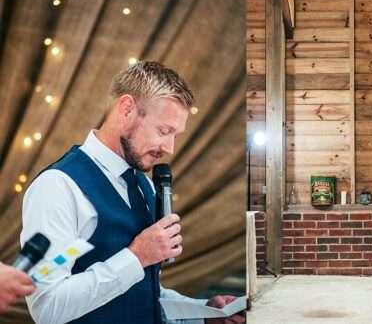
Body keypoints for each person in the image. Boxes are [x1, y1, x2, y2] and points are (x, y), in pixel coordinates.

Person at [20, 62, 244, 324]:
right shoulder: (58, 187)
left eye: (175, 135)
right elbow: (47, 307)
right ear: (126, 108)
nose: (170, 148)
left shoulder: (143, 185)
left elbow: (139, 293)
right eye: (164, 131)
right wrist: (136, 256)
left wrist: (203, 313)